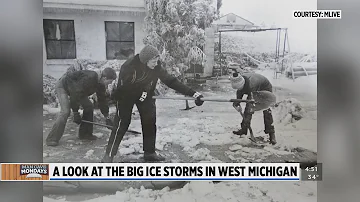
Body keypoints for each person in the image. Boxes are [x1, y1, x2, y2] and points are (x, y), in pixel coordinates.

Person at [101, 45, 204, 163]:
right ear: (145, 61)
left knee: (149, 120)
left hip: (145, 93)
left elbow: (171, 81)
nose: (156, 64)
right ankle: (108, 156)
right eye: (153, 61)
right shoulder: (129, 66)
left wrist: (193, 93)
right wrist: (140, 93)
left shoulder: (156, 67)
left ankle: (149, 153)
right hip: (125, 95)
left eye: (157, 61)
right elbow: (125, 88)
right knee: (122, 123)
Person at [46, 67, 117, 146]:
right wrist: (76, 112)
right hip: (63, 86)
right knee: (65, 111)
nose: (109, 84)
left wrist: (107, 117)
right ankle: (52, 138)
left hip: (77, 91)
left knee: (89, 106)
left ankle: (85, 134)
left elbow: (102, 100)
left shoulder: (100, 84)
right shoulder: (90, 78)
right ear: (104, 78)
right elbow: (75, 94)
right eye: (109, 81)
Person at [230, 71, 277, 145]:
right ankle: (244, 130)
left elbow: (251, 104)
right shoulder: (240, 81)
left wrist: (250, 109)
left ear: (243, 84)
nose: (240, 90)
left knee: (266, 110)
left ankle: (271, 134)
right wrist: (236, 104)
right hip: (253, 88)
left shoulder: (252, 84)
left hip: (265, 88)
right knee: (248, 109)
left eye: (241, 88)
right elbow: (239, 94)